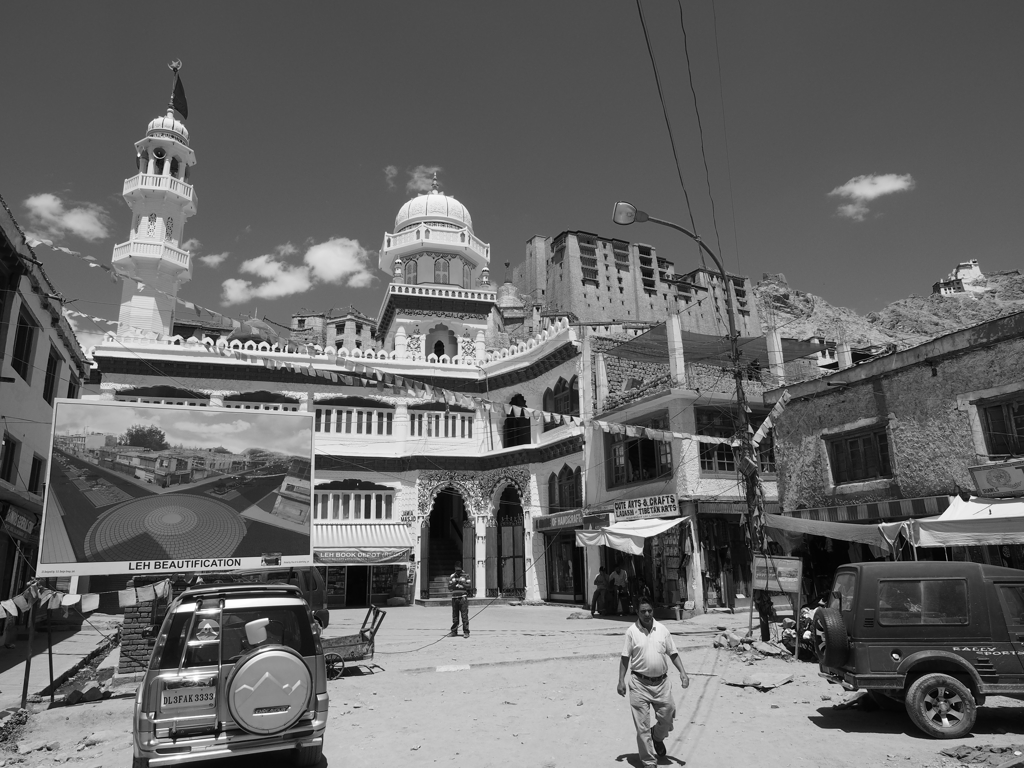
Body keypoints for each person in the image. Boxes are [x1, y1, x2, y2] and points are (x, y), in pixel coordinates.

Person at [617, 597, 689, 768]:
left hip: (661, 684)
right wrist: (621, 680)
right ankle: (649, 762)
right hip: (639, 684)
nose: (647, 614)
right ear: (637, 612)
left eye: (649, 610)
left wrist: (683, 672)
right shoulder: (631, 632)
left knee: (668, 715)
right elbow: (625, 657)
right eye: (643, 611)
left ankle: (656, 737)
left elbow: (673, 652)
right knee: (642, 727)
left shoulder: (662, 629)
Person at [448, 561, 472, 637]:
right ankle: (454, 631)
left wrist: (462, 583)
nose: (457, 572)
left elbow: (469, 586)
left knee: (464, 615)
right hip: (454, 598)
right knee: (455, 616)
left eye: (459, 570)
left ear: (461, 569)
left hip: (463, 598)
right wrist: (454, 583)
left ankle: (466, 631)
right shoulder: (452, 576)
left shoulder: (466, 575)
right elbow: (449, 587)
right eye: (456, 570)